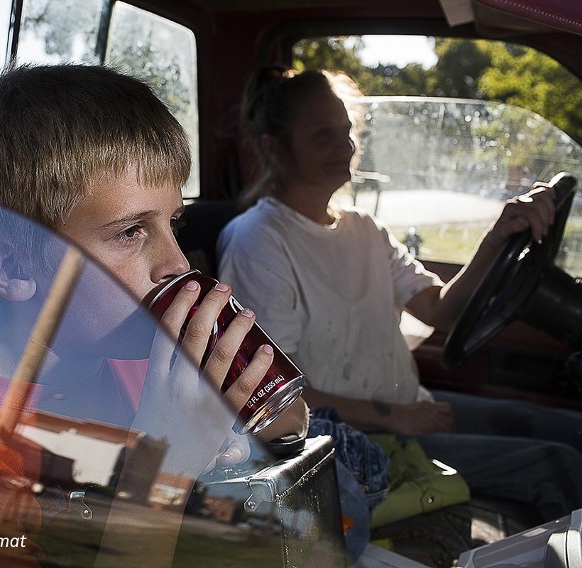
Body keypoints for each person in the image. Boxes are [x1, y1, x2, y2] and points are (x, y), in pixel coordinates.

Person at [0, 63, 311, 568]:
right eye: (130, 232)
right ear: (13, 265)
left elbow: (290, 420)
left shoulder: (135, 358)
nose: (177, 263)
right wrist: (166, 471)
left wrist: (226, 421)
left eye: (172, 223)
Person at [217, 65, 582, 523]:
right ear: (276, 148)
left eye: (346, 132)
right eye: (322, 136)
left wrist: (495, 239)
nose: (344, 146)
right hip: (351, 440)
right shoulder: (259, 240)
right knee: (560, 466)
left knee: (570, 429)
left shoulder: (363, 228)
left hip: (408, 411)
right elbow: (276, 398)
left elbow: (440, 310)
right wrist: (395, 419)